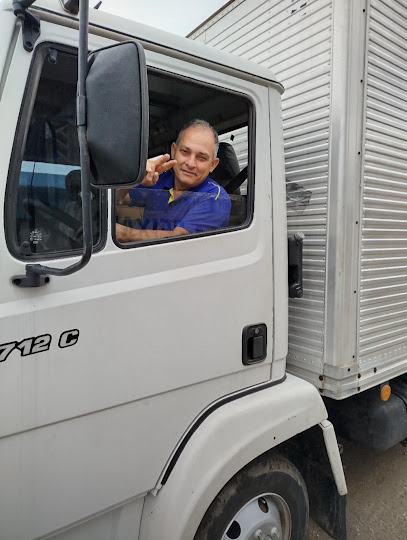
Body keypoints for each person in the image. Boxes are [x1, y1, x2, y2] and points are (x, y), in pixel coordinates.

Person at [115, 119, 231, 242]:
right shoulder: (160, 178)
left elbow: (179, 239)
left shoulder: (215, 197)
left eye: (201, 158)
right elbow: (119, 199)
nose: (190, 163)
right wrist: (137, 178)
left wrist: (123, 233)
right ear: (173, 151)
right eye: (185, 152)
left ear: (213, 164)